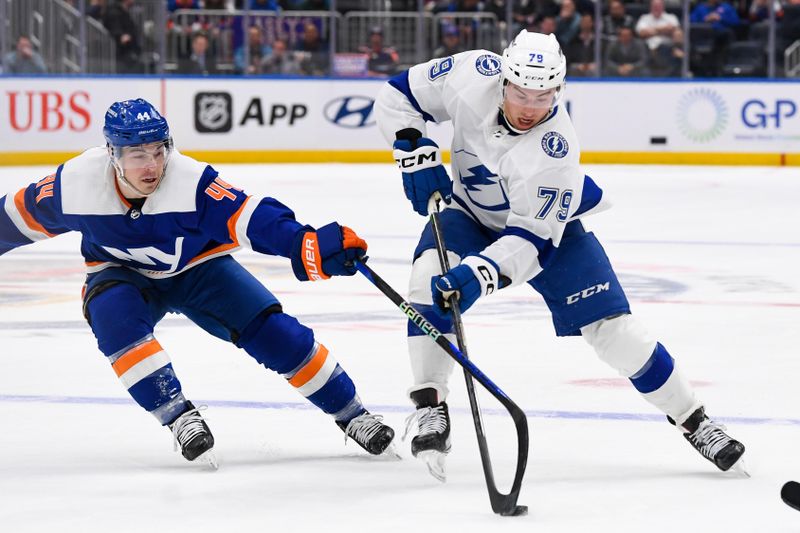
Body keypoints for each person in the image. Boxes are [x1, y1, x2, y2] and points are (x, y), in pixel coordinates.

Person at [374, 30, 746, 481]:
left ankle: (694, 419)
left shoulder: (556, 150)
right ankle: (431, 406)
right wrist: (413, 148)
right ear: (504, 80)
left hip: (550, 231)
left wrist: (481, 273)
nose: (530, 107)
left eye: (544, 95)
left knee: (616, 333)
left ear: (559, 91)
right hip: (465, 212)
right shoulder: (473, 72)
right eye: (521, 93)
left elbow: (531, 240)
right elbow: (398, 95)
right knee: (424, 284)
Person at [0, 98, 395, 467]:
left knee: (277, 335)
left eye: (158, 150)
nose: (152, 165)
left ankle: (352, 414)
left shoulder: (190, 181)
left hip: (198, 269)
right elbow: (12, 220)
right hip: (118, 273)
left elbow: (251, 216)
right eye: (138, 155)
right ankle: (177, 415)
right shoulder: (74, 186)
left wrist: (305, 244)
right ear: (112, 154)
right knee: (113, 319)